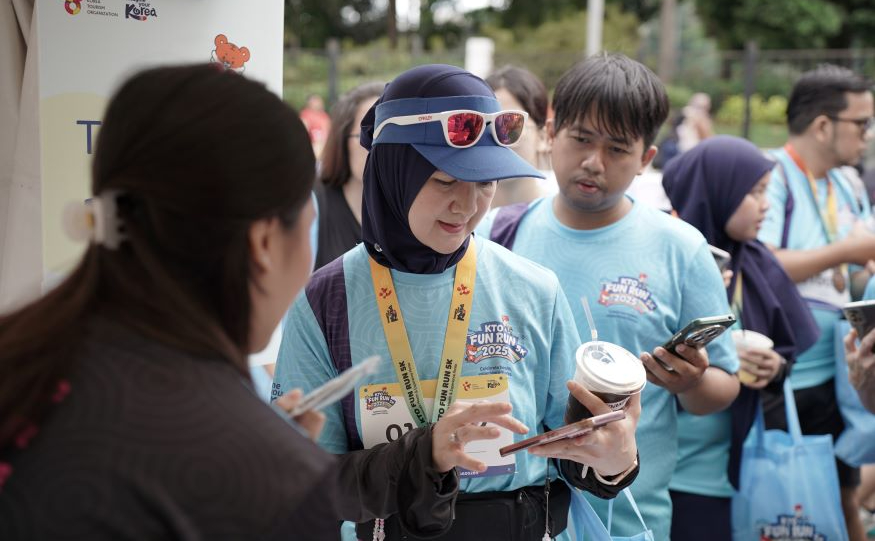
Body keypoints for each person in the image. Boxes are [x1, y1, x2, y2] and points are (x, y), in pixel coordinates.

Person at [273, 64, 642, 541]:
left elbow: (571, 452)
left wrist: (614, 461)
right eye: (446, 181)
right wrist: (423, 457)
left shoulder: (533, 288)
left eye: (485, 183)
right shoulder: (327, 302)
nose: (467, 206)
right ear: (393, 172)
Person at [0, 64, 342, 539]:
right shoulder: (277, 482)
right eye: (307, 229)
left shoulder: (20, 353)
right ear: (263, 243)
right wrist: (261, 452)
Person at [478, 53, 740, 541]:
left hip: (626, 517)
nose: (594, 162)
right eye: (580, 139)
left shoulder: (681, 248)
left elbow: (723, 387)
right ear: (551, 134)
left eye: (618, 149)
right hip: (514, 513)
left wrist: (690, 382)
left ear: (646, 160)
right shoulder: (498, 233)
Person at [661, 135, 819, 541]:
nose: (765, 204)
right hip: (655, 464)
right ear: (717, 190)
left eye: (766, 191)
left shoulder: (757, 262)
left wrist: (776, 367)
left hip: (727, 470)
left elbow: (786, 345)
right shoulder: (663, 252)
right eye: (754, 192)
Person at [758, 64, 875, 541]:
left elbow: (855, 269)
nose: (868, 135)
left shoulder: (847, 183)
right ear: (824, 125)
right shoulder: (772, 174)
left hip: (842, 376)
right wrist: (848, 252)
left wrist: (859, 268)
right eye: (861, 124)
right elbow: (761, 263)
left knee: (845, 498)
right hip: (788, 374)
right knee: (789, 505)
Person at [314, 82, 384, 269]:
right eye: (370, 134)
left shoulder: (416, 209)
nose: (382, 148)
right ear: (342, 141)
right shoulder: (310, 204)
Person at [486, 65, 558, 206]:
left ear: (543, 137)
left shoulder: (565, 215)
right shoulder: (458, 218)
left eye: (510, 123)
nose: (496, 138)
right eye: (486, 125)